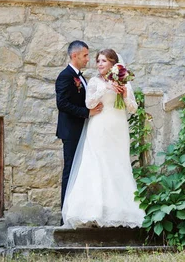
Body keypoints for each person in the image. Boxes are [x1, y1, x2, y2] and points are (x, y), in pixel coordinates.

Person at [61, 48, 145, 228]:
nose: (99, 64)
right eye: (98, 61)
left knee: (117, 165)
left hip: (118, 128)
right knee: (97, 164)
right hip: (98, 127)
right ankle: (93, 211)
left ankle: (120, 211)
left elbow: (133, 108)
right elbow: (89, 103)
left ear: (114, 65)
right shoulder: (93, 81)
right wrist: (105, 88)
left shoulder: (124, 82)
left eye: (103, 61)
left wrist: (123, 93)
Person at [56, 41, 103, 213]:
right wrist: (87, 112)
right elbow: (62, 104)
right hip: (71, 131)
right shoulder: (65, 76)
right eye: (85, 55)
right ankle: (65, 213)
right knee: (70, 170)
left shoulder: (80, 77)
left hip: (82, 129)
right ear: (74, 56)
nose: (88, 59)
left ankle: (77, 210)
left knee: (80, 171)